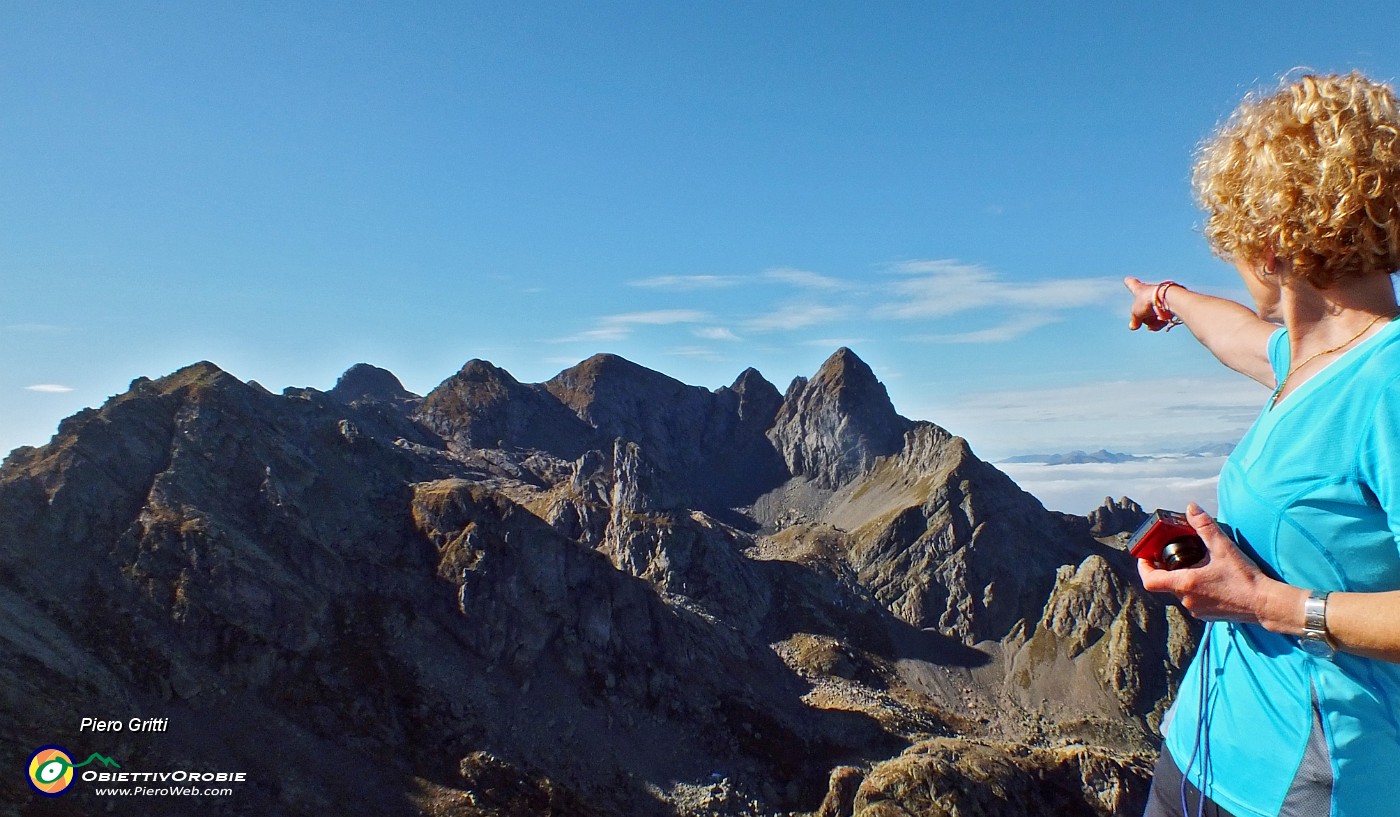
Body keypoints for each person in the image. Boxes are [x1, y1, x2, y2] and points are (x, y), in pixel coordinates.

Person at [1124, 71, 1400, 817]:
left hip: (1307, 786)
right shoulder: (1309, 360)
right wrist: (1169, 299)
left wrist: (1268, 603)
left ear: (1272, 237)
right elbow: (1241, 335)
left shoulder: (1389, 382)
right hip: (1204, 749)